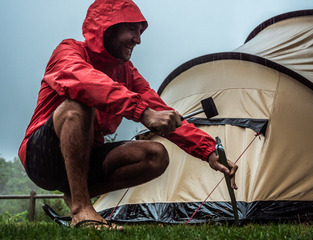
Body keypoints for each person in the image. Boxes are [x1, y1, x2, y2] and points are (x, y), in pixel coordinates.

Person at [18, 0, 238, 229]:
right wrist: (142, 112)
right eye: (132, 30)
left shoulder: (127, 73)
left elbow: (162, 113)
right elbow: (84, 81)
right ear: (109, 27)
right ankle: (82, 210)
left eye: (140, 32)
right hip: (42, 158)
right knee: (80, 104)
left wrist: (209, 151)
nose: (138, 39)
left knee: (156, 154)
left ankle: (78, 194)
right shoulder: (69, 51)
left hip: (85, 159)